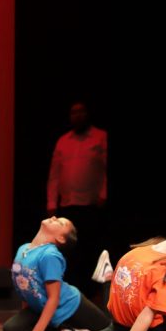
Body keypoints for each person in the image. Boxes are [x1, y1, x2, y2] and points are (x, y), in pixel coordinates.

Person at [3, 216, 111, 331]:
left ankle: (107, 278)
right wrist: (27, 319)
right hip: (42, 309)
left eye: (60, 223)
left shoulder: (50, 256)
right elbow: (25, 289)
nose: (54, 217)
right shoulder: (23, 249)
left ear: (60, 238)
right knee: (12, 330)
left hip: (69, 306)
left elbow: (54, 298)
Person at [46, 102, 108, 297]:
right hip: (68, 204)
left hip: (91, 204)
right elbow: (55, 174)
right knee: (69, 250)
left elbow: (104, 167)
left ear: (87, 113)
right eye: (74, 112)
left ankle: (91, 292)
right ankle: (70, 290)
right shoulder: (63, 141)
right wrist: (51, 202)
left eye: (81, 111)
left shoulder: (99, 137)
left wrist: (103, 193)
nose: (78, 116)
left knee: (90, 249)